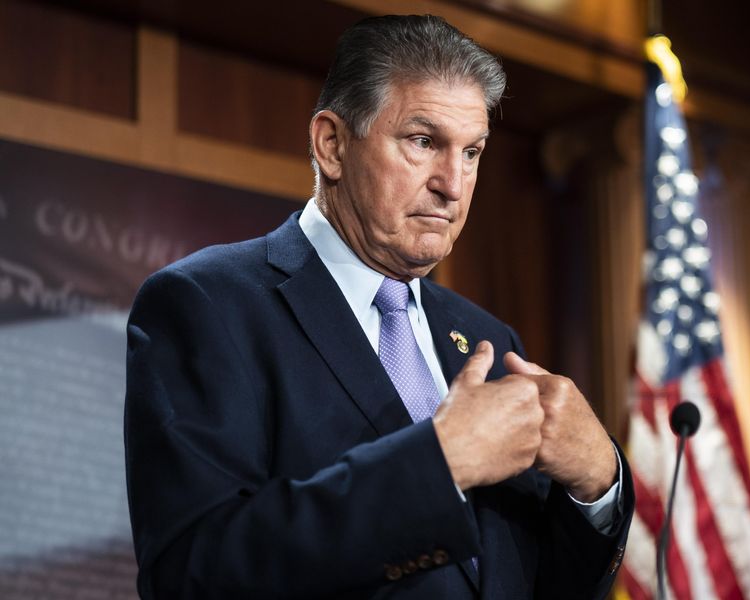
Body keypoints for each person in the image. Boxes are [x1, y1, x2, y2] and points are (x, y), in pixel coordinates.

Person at [124, 15, 632, 599]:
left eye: (471, 152)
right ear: (332, 145)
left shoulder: (488, 340)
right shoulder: (208, 305)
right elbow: (191, 572)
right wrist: (440, 465)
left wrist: (598, 483)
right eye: (423, 142)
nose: (453, 185)